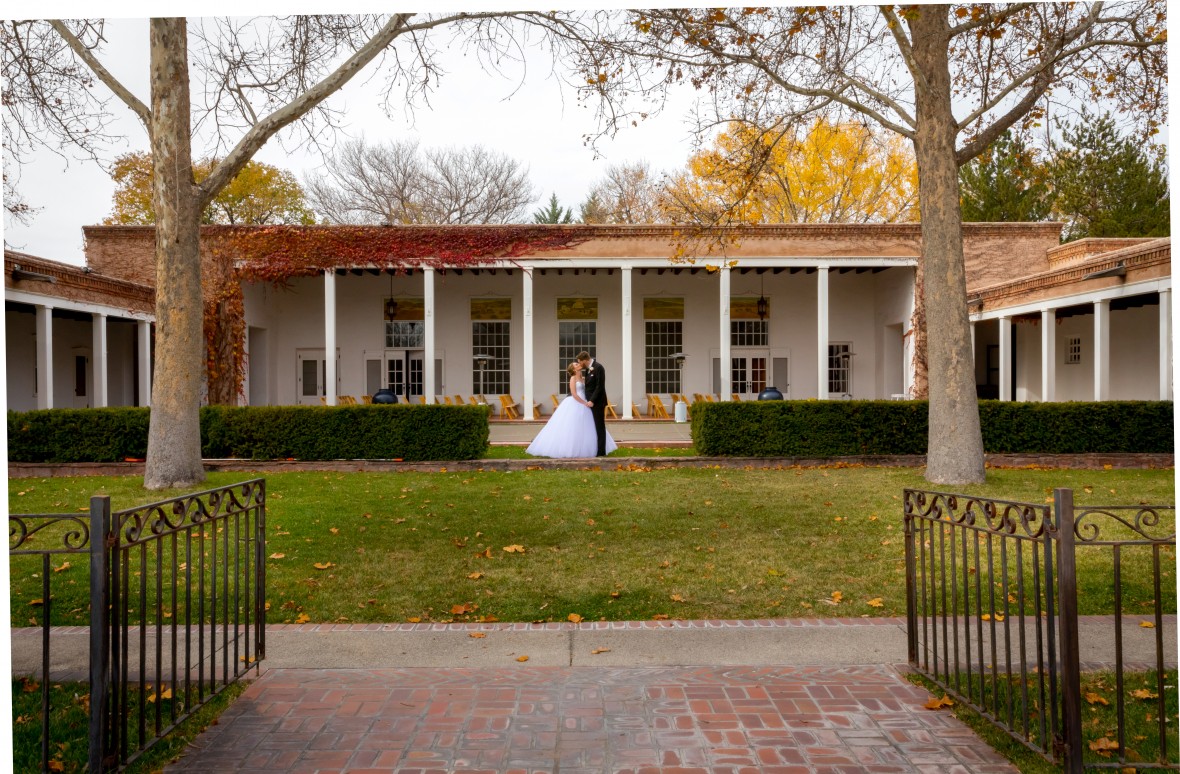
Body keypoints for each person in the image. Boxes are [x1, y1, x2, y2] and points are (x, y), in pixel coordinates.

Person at [525, 362, 617, 458]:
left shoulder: (583, 378)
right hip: (576, 402)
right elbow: (574, 394)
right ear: (574, 369)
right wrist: (583, 402)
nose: (578, 364)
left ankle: (595, 448)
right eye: (576, 365)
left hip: (586, 401)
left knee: (590, 424)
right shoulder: (573, 378)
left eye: (578, 363)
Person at [578, 350, 609, 456]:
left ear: (585, 360)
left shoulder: (599, 367)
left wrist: (592, 400)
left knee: (599, 426)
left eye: (580, 362)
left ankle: (601, 452)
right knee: (593, 426)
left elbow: (599, 386)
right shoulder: (588, 369)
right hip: (589, 403)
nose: (579, 364)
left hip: (598, 403)